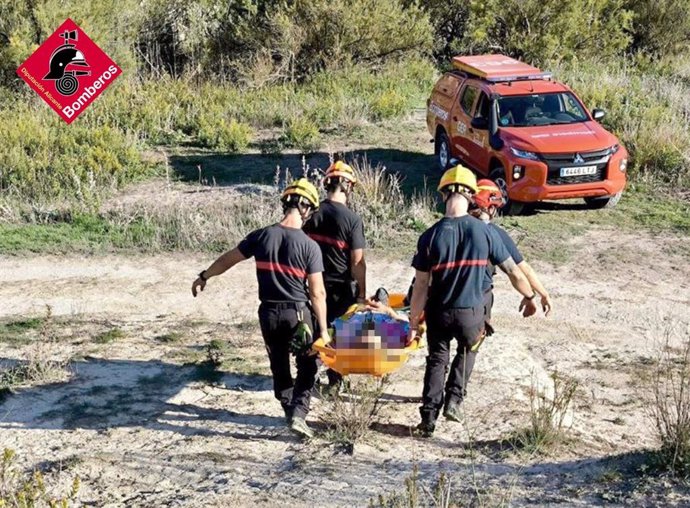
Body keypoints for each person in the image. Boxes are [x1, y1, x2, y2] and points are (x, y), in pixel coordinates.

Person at [406, 165, 539, 437]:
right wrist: (530, 296)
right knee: (468, 351)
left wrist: (412, 321)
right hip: (472, 314)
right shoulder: (486, 232)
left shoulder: (429, 236)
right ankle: (455, 401)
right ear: (471, 196)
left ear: (443, 195)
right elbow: (513, 271)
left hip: (438, 313)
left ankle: (428, 419)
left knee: (436, 360)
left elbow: (420, 285)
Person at [191, 179, 329, 439]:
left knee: (279, 366)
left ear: (285, 204)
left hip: (268, 314)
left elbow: (228, 258)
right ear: (307, 209)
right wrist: (323, 330)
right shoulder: (310, 247)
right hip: (298, 315)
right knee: (309, 363)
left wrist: (205, 275)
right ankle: (299, 413)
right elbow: (317, 292)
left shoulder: (261, 236)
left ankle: (289, 410)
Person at [303, 160, 367, 392]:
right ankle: (336, 381)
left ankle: (307, 377)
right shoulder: (352, 220)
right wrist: (361, 294)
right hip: (341, 287)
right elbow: (358, 262)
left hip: (312, 284)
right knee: (339, 334)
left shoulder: (312, 213)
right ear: (349, 187)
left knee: (316, 331)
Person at [470, 179, 553, 334]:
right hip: (477, 300)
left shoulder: (448, 227)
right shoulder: (494, 233)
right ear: (491, 207)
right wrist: (539, 295)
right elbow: (521, 270)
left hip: (445, 297)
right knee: (469, 349)